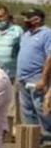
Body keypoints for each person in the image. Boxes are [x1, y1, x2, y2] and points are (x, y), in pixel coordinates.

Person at [16, 8, 51, 140]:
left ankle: (48, 134)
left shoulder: (47, 33)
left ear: (37, 19)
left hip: (37, 77)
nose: (25, 20)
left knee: (41, 107)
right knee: (27, 109)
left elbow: (50, 57)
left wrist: (43, 79)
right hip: (22, 77)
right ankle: (34, 137)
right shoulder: (26, 34)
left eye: (27, 17)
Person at [0, 5, 23, 80]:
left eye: (1, 16)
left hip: (11, 75)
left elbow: (23, 50)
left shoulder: (17, 30)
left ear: (7, 16)